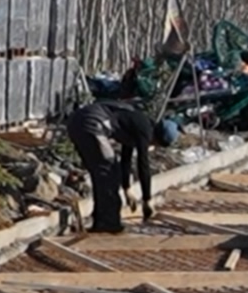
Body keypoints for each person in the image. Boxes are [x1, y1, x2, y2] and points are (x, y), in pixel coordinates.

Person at [66, 100, 179, 234]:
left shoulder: (137, 123)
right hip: (92, 123)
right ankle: (109, 224)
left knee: (102, 174)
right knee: (108, 171)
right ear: (158, 139)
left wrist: (127, 189)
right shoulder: (146, 132)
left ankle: (100, 221)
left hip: (78, 121)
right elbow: (143, 165)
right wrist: (147, 200)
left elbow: (126, 159)